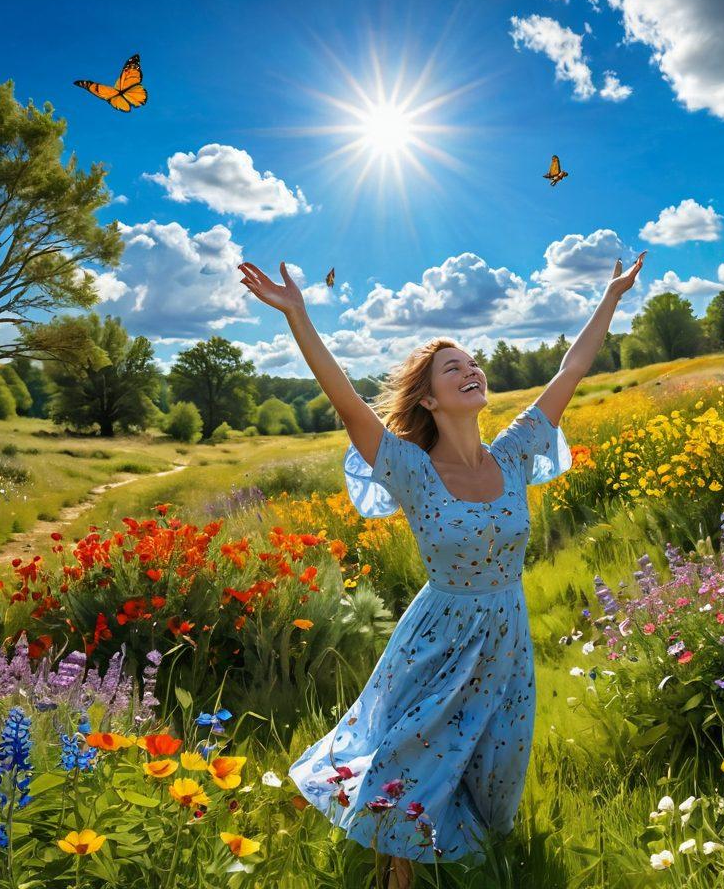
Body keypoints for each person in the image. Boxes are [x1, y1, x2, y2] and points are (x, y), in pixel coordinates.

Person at [238, 250, 645, 888]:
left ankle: (471, 864)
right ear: (429, 399)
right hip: (439, 634)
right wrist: (298, 315)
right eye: (453, 367)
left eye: (473, 363)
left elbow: (573, 367)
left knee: (494, 765)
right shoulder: (411, 470)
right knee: (413, 749)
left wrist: (614, 295)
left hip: (507, 633)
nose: (472, 370)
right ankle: (394, 875)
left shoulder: (513, 454)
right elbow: (345, 399)